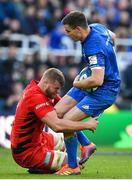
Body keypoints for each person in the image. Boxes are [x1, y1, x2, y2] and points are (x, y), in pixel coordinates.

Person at [54, 11, 121, 175]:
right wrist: (108, 60)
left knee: (66, 122)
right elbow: (113, 37)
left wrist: (76, 83)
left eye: (69, 31)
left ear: (78, 29)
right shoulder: (97, 27)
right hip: (92, 82)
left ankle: (72, 166)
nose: (67, 35)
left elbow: (97, 80)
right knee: (58, 113)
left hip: (104, 90)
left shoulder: (93, 47)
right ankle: (87, 145)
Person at [11, 68, 98, 174]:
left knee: (69, 139)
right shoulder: (36, 97)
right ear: (46, 82)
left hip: (40, 139)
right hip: (27, 152)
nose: (58, 92)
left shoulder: (40, 89)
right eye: (56, 88)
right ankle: (42, 165)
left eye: (59, 89)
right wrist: (87, 124)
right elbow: (57, 126)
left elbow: (66, 113)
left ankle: (86, 144)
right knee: (76, 162)